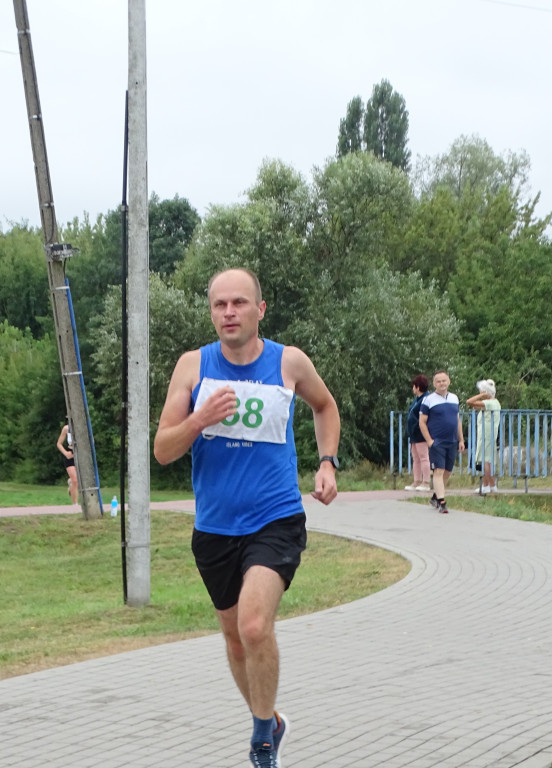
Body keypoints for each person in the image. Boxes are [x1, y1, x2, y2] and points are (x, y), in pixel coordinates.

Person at [153, 268, 340, 768]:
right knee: (236, 640)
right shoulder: (193, 367)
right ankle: (271, 721)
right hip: (214, 528)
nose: (229, 312)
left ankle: (261, 742)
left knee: (255, 627)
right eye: (220, 305)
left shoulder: (289, 362)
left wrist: (327, 462)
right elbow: (163, 450)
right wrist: (199, 419)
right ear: (211, 311)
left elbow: (325, 406)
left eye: (239, 303)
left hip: (274, 518)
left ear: (260, 309)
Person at [418, 370, 465, 514]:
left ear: (449, 381)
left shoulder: (454, 398)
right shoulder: (429, 400)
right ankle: (442, 502)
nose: (442, 383)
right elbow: (422, 422)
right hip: (437, 442)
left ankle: (435, 496)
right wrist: (430, 441)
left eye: (444, 380)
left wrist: (461, 439)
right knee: (438, 471)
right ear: (434, 384)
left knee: (447, 472)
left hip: (452, 441)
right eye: (438, 381)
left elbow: (457, 420)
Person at [466, 379, 502, 495]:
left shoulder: (490, 403)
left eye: (481, 392)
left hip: (487, 433)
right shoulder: (494, 403)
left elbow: (469, 402)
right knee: (489, 459)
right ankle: (492, 485)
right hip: (488, 433)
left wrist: (481, 394)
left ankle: (486, 485)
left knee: (485, 460)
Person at [404, 374, 431, 492]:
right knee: (416, 458)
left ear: (418, 387)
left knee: (423, 457)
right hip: (413, 433)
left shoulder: (426, 399)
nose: (413, 388)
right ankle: (417, 481)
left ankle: (426, 481)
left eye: (414, 386)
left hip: (420, 433)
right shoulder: (417, 399)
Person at [56, 422, 78, 505]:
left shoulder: (83, 427)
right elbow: (59, 443)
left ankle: (71, 484)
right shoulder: (66, 428)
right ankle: (75, 504)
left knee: (79, 482)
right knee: (75, 480)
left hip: (80, 454)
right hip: (70, 454)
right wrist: (66, 453)